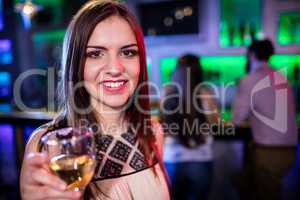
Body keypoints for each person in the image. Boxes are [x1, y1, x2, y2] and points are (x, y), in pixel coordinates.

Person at [20, 1, 170, 199]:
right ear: (76, 63)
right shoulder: (48, 145)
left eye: (128, 52)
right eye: (96, 54)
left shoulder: (153, 132)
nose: (115, 68)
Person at [232, 39, 298, 200]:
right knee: (245, 182)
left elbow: (237, 118)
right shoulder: (281, 76)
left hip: (269, 151)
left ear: (251, 55)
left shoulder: (249, 79)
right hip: (290, 150)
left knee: (266, 194)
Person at [161, 54, 220, 200]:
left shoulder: (167, 94)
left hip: (173, 160)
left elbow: (163, 125)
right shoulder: (206, 95)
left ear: (176, 72)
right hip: (201, 160)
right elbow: (216, 123)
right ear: (199, 72)